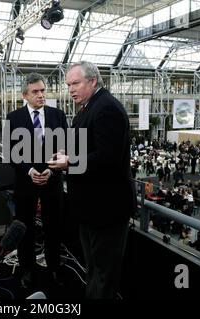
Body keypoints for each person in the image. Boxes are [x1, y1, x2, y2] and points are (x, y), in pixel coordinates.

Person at [48, 61, 136, 298]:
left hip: (106, 211)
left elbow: (107, 159)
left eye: (75, 83)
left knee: (103, 277)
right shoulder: (90, 107)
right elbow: (89, 150)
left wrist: (69, 162)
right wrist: (66, 157)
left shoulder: (106, 108)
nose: (71, 89)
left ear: (93, 81)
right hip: (91, 210)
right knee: (95, 272)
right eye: (68, 85)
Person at [6, 73, 68, 289]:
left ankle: (53, 269)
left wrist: (51, 171)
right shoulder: (13, 118)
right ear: (25, 95)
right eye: (35, 92)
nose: (41, 95)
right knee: (25, 230)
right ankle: (27, 271)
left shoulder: (58, 115)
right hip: (25, 183)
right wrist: (30, 170)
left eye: (43, 90)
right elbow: (10, 153)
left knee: (53, 229)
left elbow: (64, 148)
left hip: (52, 182)